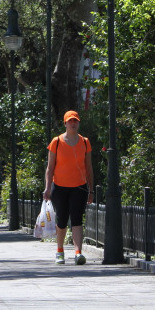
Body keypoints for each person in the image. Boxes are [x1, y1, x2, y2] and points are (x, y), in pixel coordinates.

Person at [43, 110, 94, 265]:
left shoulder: (85, 142)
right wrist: (47, 188)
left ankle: (78, 252)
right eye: (70, 121)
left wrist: (91, 190)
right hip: (59, 186)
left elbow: (89, 167)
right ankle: (60, 250)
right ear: (65, 123)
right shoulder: (56, 142)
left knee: (77, 218)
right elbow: (50, 168)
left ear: (78, 123)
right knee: (62, 219)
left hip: (79, 186)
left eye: (76, 121)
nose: (73, 123)